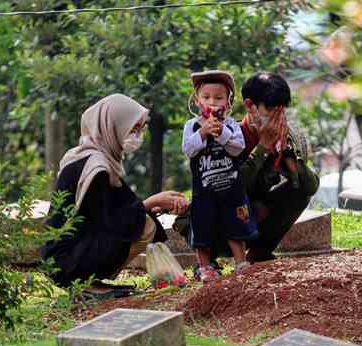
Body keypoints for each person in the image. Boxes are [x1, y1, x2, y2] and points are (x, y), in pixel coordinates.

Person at [42, 94, 188, 299]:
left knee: (143, 219)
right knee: (145, 226)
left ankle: (89, 280)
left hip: (65, 253)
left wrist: (149, 206)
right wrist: (149, 203)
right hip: (66, 259)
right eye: (132, 129)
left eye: (140, 129)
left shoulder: (88, 156)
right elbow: (109, 222)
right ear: (112, 126)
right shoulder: (96, 168)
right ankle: (84, 281)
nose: (137, 135)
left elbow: (108, 210)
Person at [176, 72, 319, 272]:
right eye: (269, 110)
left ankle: (258, 254)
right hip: (220, 218)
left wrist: (286, 153)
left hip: (250, 216)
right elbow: (231, 185)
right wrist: (261, 148)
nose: (277, 118)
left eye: (281, 111)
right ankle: (208, 263)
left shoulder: (284, 136)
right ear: (250, 106)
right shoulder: (228, 135)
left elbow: (309, 187)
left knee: (297, 195)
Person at [182, 70, 256, 283]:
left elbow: (237, 149)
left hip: (231, 189)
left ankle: (241, 262)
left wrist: (221, 132)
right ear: (197, 101)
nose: (212, 103)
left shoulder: (232, 125)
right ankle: (205, 267)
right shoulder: (192, 126)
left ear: (228, 102)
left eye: (218, 98)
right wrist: (203, 133)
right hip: (204, 191)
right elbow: (188, 149)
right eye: (206, 97)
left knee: (236, 225)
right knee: (202, 227)